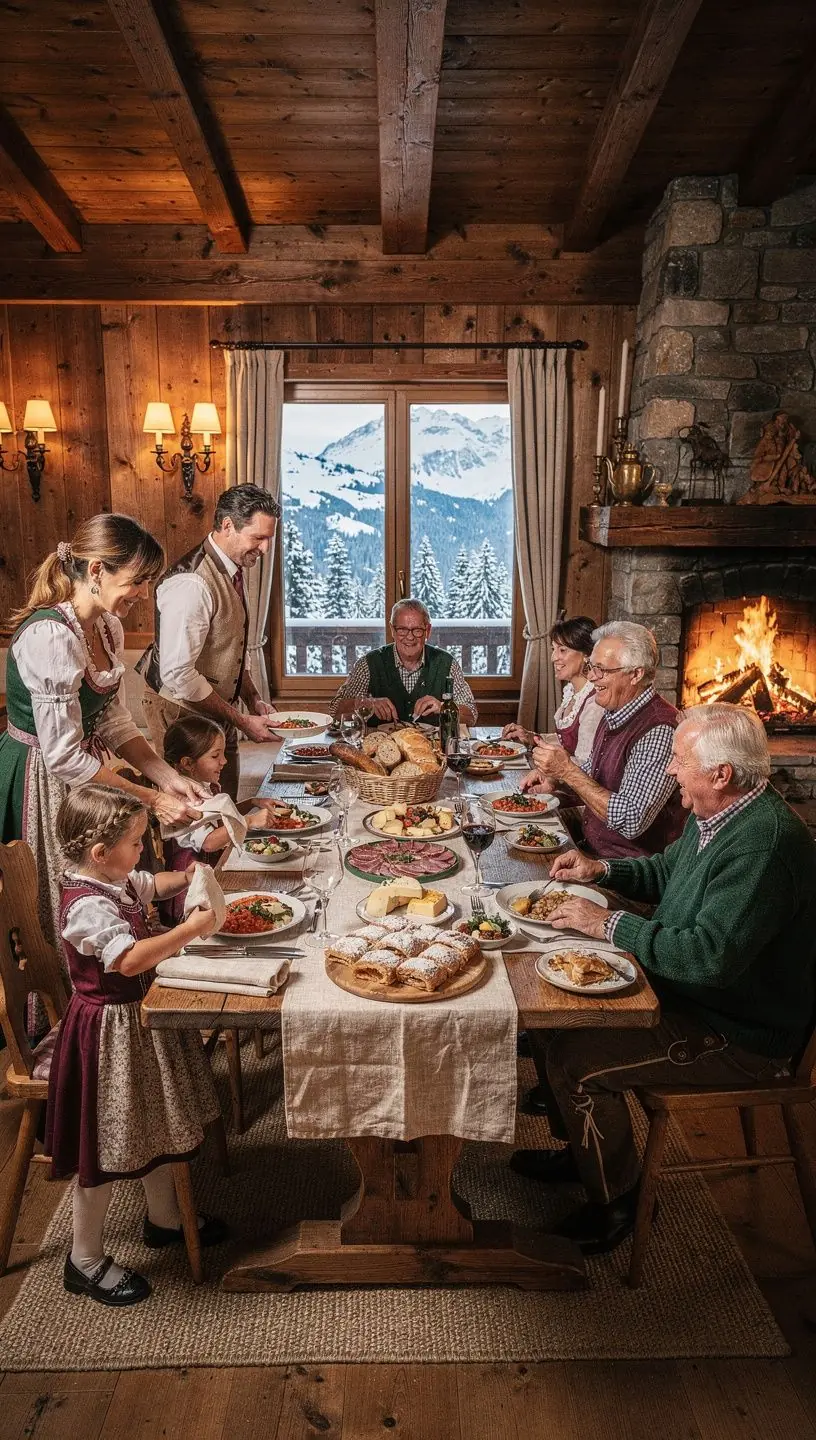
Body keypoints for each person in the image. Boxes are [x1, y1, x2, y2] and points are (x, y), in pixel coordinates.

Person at [511, 704, 816, 1255]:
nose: (670, 771)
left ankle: (620, 1203)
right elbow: (664, 872)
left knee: (575, 1063)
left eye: (679, 761)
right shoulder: (720, 811)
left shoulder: (763, 845)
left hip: (739, 1033)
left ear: (720, 772)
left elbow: (708, 959)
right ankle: (583, 1152)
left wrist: (609, 923)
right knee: (553, 1017)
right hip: (696, 995)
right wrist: (599, 869)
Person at [46, 784, 227, 1307]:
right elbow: (128, 961)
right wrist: (191, 930)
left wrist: (190, 876)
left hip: (136, 1026)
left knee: (154, 1126)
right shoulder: (86, 908)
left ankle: (164, 1219)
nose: (143, 853)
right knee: (103, 1148)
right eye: (135, 844)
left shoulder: (115, 880)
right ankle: (84, 1259)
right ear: (101, 854)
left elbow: (156, 881)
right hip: (108, 1036)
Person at [0, 514, 204, 952]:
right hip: (44, 778)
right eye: (136, 580)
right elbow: (64, 758)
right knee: (68, 893)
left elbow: (114, 721)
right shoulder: (51, 636)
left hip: (87, 773)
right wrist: (153, 798)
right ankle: (75, 1002)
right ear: (96, 570)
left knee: (115, 881)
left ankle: (123, 993)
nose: (143, 593)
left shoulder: (106, 625)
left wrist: (167, 778)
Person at [139, 484, 282, 801]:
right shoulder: (192, 584)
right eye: (258, 537)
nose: (265, 548)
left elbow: (231, 648)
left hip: (216, 708)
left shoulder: (233, 568)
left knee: (224, 803)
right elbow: (178, 676)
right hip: (179, 711)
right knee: (192, 815)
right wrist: (242, 720)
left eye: (269, 538)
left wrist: (254, 699)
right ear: (228, 525)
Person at [521, 620, 685, 859]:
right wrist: (556, 779)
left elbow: (630, 820)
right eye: (591, 668)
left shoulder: (659, 729)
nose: (593, 678)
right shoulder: (615, 708)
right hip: (593, 843)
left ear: (636, 674)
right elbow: (597, 771)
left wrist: (567, 771)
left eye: (603, 670)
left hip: (628, 869)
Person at [159, 714, 278, 923]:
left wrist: (251, 802)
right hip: (192, 886)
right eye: (215, 756)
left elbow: (218, 817)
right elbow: (208, 842)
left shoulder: (202, 783)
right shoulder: (183, 799)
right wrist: (248, 822)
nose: (224, 761)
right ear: (187, 763)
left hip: (214, 871)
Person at [332, 597, 477, 726]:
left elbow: (471, 715)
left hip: (432, 751)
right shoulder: (368, 664)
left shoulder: (446, 663)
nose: (410, 637)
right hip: (378, 751)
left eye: (417, 630)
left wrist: (443, 707)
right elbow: (336, 711)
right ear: (392, 630)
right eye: (402, 630)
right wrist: (368, 704)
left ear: (428, 630)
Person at [503, 615, 603, 766]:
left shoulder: (594, 702)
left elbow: (584, 762)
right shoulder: (572, 691)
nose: (553, 657)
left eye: (562, 650)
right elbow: (565, 742)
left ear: (587, 655)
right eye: (553, 649)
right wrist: (531, 737)